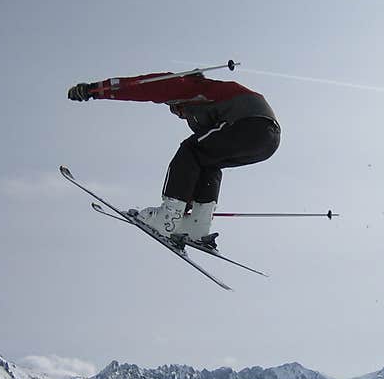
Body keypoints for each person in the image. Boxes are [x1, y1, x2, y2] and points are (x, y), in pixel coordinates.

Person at [67, 70, 280, 247]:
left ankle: (166, 219)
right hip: (268, 140)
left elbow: (141, 86)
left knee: (190, 150)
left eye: (174, 108)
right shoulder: (212, 98)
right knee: (207, 161)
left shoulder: (188, 86)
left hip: (249, 124)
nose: (177, 113)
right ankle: (198, 224)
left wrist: (93, 90)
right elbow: (194, 172)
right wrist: (186, 203)